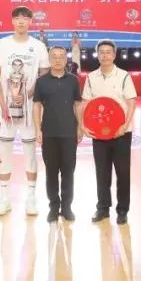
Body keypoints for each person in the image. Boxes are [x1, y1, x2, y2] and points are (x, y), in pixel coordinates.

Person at [0, 6, 49, 216]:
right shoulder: (2, 44)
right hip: (6, 109)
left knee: (30, 154)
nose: (21, 21)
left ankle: (31, 198)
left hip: (30, 109)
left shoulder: (38, 46)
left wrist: (27, 95)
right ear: (12, 21)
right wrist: (3, 104)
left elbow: (44, 75)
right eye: (17, 18)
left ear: (31, 21)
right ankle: (4, 198)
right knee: (5, 153)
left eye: (25, 18)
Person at [84, 40, 137, 225]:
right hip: (99, 134)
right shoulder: (91, 77)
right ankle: (103, 208)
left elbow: (131, 102)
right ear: (97, 55)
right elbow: (86, 103)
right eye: (102, 52)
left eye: (108, 52)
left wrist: (125, 125)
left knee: (123, 173)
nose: (105, 55)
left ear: (114, 55)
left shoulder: (124, 76)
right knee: (102, 172)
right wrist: (84, 126)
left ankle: (122, 210)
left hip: (121, 133)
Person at [33, 46, 83, 223]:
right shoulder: (41, 82)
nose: (57, 59)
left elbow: (78, 104)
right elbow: (37, 106)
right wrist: (38, 129)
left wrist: (80, 126)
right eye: (54, 56)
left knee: (68, 172)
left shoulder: (73, 81)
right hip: (49, 133)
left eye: (61, 56)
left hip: (69, 133)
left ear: (66, 59)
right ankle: (54, 207)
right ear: (49, 59)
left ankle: (67, 207)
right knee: (51, 172)